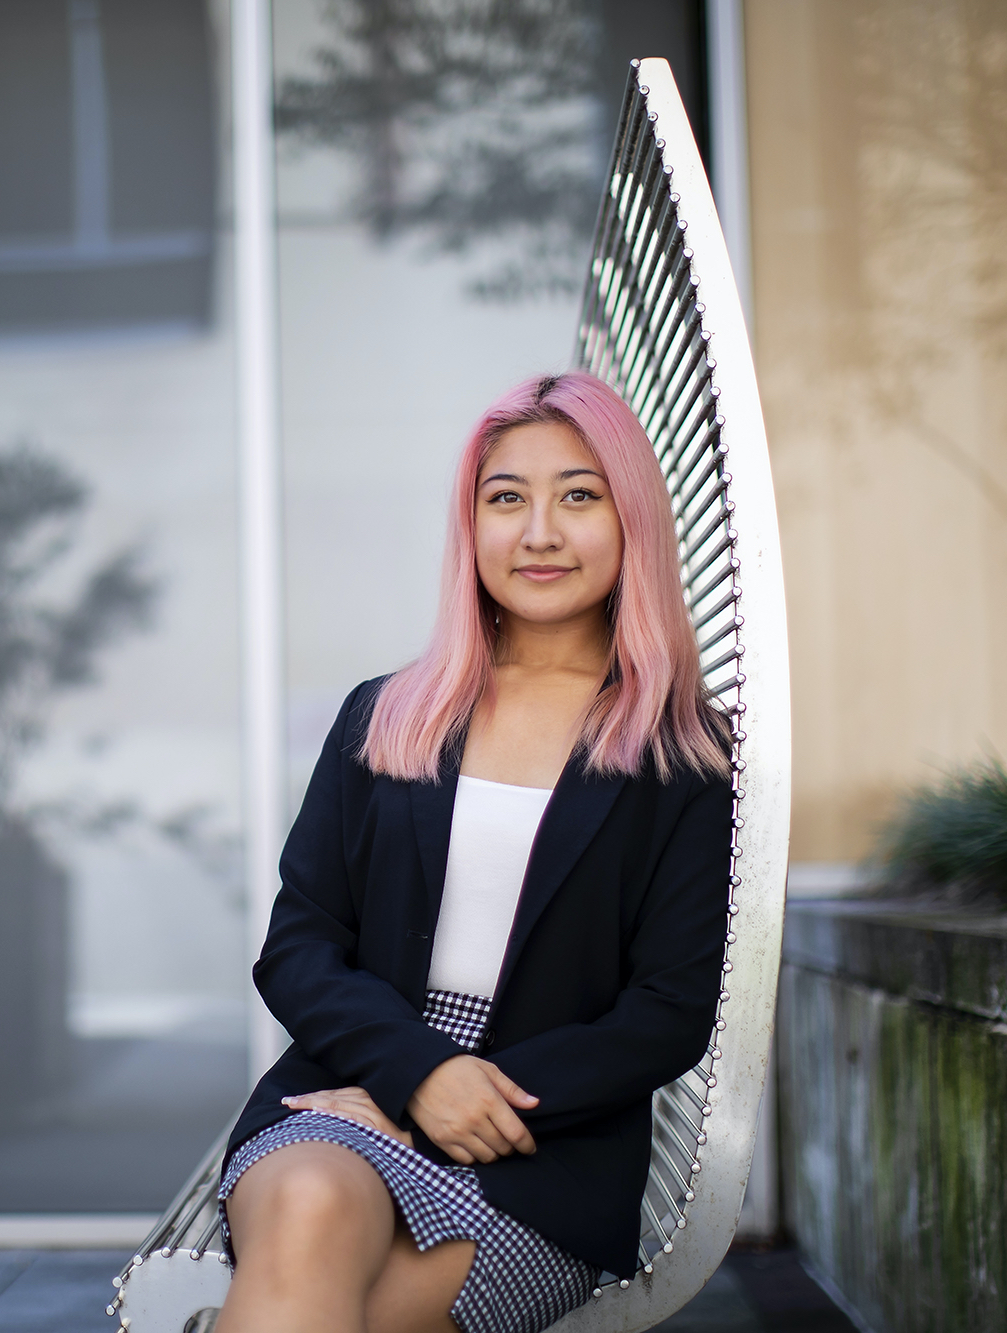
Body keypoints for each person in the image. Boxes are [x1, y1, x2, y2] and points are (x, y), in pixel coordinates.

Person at [214, 371, 735, 1333]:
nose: (539, 532)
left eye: (579, 496)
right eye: (508, 499)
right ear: (472, 527)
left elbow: (668, 1011)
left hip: (544, 1146)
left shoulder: (682, 754)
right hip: (356, 1082)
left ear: (633, 524)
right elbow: (298, 947)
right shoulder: (387, 716)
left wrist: (448, 1101)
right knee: (310, 1208)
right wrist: (413, 1072)